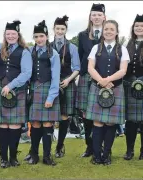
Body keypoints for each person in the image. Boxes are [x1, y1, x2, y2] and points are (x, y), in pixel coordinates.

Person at [86, 20, 130, 165]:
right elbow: (90, 68)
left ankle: (106, 155)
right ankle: (97, 155)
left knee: (111, 123)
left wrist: (108, 80)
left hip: (115, 88)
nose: (109, 31)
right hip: (97, 88)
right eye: (106, 29)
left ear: (117, 32)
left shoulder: (122, 49)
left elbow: (123, 70)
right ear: (102, 31)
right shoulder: (95, 48)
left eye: (112, 29)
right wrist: (101, 81)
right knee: (97, 122)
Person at [0, 20, 32, 168]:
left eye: (13, 34)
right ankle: (3, 158)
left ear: (18, 35)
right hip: (0, 88)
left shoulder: (25, 51)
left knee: (15, 125)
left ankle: (13, 157)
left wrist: (11, 85)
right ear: (5, 35)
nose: (10, 36)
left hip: (17, 89)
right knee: (3, 125)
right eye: (8, 34)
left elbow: (27, 73)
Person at [26, 20, 61, 166]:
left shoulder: (54, 54)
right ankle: (34, 154)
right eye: (36, 36)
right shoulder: (28, 51)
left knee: (47, 123)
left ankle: (47, 156)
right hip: (34, 89)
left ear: (47, 36)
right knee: (34, 123)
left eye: (41, 36)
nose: (39, 39)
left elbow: (56, 77)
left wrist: (51, 97)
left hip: (48, 89)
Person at [76, 3, 106, 158]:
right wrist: (79, 75)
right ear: (90, 17)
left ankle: (101, 146)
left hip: (103, 78)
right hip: (86, 77)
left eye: (99, 15)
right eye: (93, 14)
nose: (96, 17)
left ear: (104, 17)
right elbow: (81, 57)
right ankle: (89, 147)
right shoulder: (82, 35)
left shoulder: (108, 34)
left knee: (102, 112)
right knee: (86, 114)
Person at [123, 14, 143, 161]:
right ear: (133, 28)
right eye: (136, 26)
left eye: (142, 26)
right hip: (129, 84)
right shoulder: (128, 44)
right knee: (131, 120)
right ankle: (129, 150)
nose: (139, 28)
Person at [49, 15, 80, 158]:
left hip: (67, 82)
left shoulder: (72, 47)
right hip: (50, 84)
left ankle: (60, 146)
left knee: (63, 116)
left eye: (62, 28)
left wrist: (68, 80)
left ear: (66, 30)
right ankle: (47, 147)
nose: (60, 31)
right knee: (49, 115)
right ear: (53, 29)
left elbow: (77, 68)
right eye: (57, 28)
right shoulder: (47, 46)